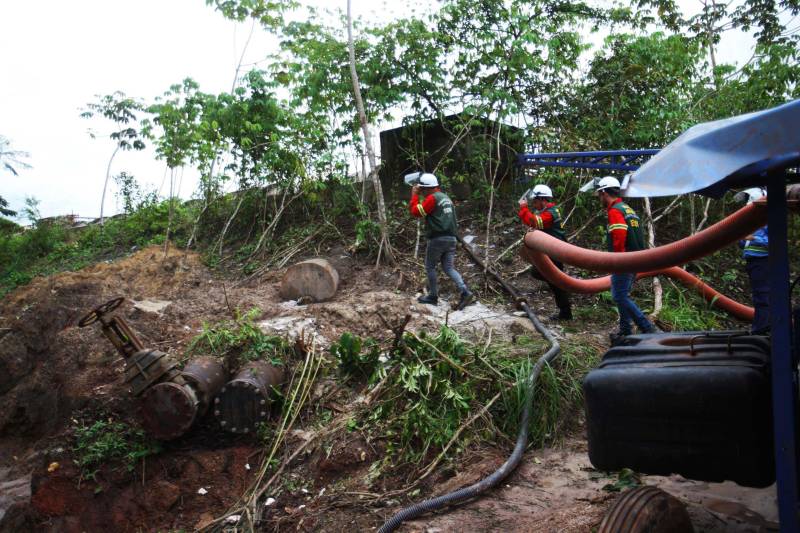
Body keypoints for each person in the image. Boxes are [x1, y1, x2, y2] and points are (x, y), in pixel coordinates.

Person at [595, 176, 658, 343]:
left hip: (625, 260)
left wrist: (617, 261)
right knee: (621, 294)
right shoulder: (627, 209)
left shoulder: (615, 210)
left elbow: (619, 236)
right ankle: (625, 331)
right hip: (635, 258)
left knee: (620, 296)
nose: (599, 198)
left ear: (604, 192)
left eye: (599, 195)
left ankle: (646, 327)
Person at [409, 173, 474, 310]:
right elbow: (451, 220)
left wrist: (415, 195)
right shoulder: (446, 198)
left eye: (423, 190)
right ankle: (465, 291)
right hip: (451, 239)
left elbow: (416, 212)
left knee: (430, 266)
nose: (423, 192)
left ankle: (433, 296)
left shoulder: (432, 198)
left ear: (427, 189)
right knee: (448, 268)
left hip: (437, 239)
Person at [518, 184, 573, 320]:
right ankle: (565, 307)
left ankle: (566, 312)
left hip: (555, 251)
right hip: (551, 251)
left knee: (555, 281)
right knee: (550, 278)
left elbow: (534, 223)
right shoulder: (547, 210)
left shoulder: (550, 213)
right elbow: (531, 222)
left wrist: (524, 207)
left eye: (535, 201)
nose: (534, 205)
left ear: (543, 199)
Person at [736, 187, 769, 334]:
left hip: (764, 261)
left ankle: (761, 330)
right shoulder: (752, 222)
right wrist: (742, 239)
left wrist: (754, 238)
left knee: (763, 296)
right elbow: (745, 244)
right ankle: (763, 327)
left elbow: (774, 241)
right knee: (759, 296)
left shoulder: (768, 220)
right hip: (753, 262)